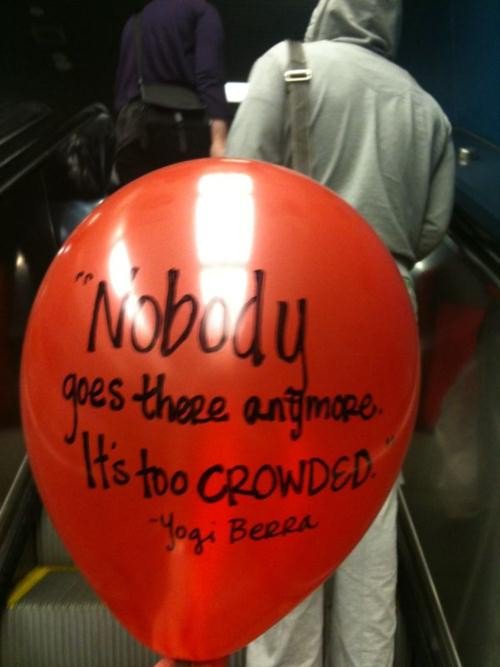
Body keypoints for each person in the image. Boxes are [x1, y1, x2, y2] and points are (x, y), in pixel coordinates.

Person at [225, 1, 455, 666]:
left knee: (283, 499)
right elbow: (431, 231)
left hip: (294, 309)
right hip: (387, 313)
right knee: (370, 506)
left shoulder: (286, 65)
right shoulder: (426, 109)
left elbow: (240, 184)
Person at [113, 0, 230, 184]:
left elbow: (123, 90)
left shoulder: (135, 21)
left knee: (143, 200)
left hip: (134, 136)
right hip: (184, 134)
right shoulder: (202, 11)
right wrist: (219, 141)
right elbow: (208, 76)